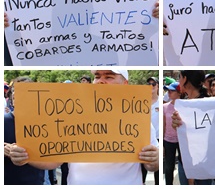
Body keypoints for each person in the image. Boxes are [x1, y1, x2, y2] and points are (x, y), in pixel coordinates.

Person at [7, 70, 159, 185]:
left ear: (125, 83)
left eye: (109, 77)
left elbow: (152, 165)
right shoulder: (73, 114)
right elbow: (54, 161)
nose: (101, 81)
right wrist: (25, 157)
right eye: (97, 77)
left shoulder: (139, 117)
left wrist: (154, 159)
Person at [162, 81, 181, 185]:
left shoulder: (185, 105)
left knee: (184, 166)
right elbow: (163, 125)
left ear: (179, 92)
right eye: (168, 90)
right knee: (169, 167)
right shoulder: (164, 107)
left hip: (182, 141)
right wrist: (163, 145)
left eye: (172, 91)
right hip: (168, 140)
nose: (169, 93)